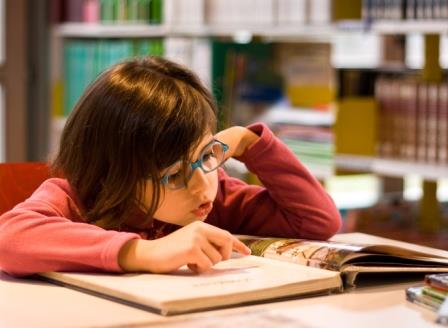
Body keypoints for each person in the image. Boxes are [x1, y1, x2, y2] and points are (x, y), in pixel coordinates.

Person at [0, 56, 341, 277]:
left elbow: (317, 221)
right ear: (116, 174)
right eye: (174, 175)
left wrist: (249, 142)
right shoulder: (76, 199)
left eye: (207, 156)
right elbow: (8, 239)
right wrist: (142, 252)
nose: (201, 185)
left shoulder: (215, 195)